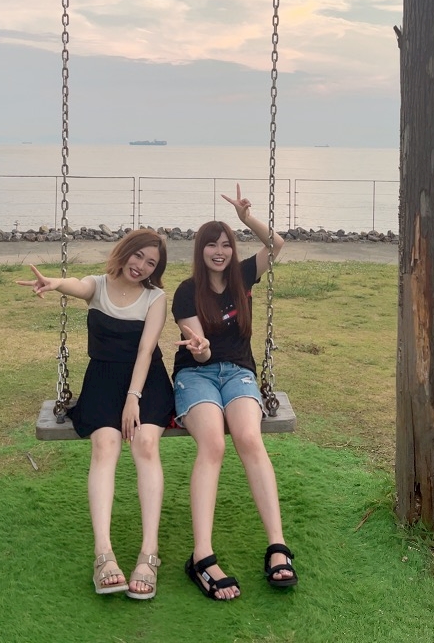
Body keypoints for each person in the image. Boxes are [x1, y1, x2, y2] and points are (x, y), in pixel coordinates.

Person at [18, 229, 173, 600]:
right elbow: (77, 284)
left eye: (151, 262)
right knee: (105, 445)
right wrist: (55, 283)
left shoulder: (155, 298)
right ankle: (103, 554)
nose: (141, 266)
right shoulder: (98, 286)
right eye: (138, 256)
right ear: (126, 252)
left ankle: (149, 553)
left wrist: (133, 398)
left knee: (145, 444)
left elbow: (146, 351)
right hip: (103, 378)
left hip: (146, 381)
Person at [172, 185, 298, 600]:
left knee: (248, 438)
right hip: (197, 375)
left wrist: (246, 219)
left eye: (226, 244)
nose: (220, 251)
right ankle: (202, 556)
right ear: (201, 250)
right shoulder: (186, 292)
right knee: (213, 445)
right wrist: (201, 348)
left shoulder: (244, 275)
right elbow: (201, 350)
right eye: (212, 245)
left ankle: (277, 546)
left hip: (239, 373)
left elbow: (277, 244)